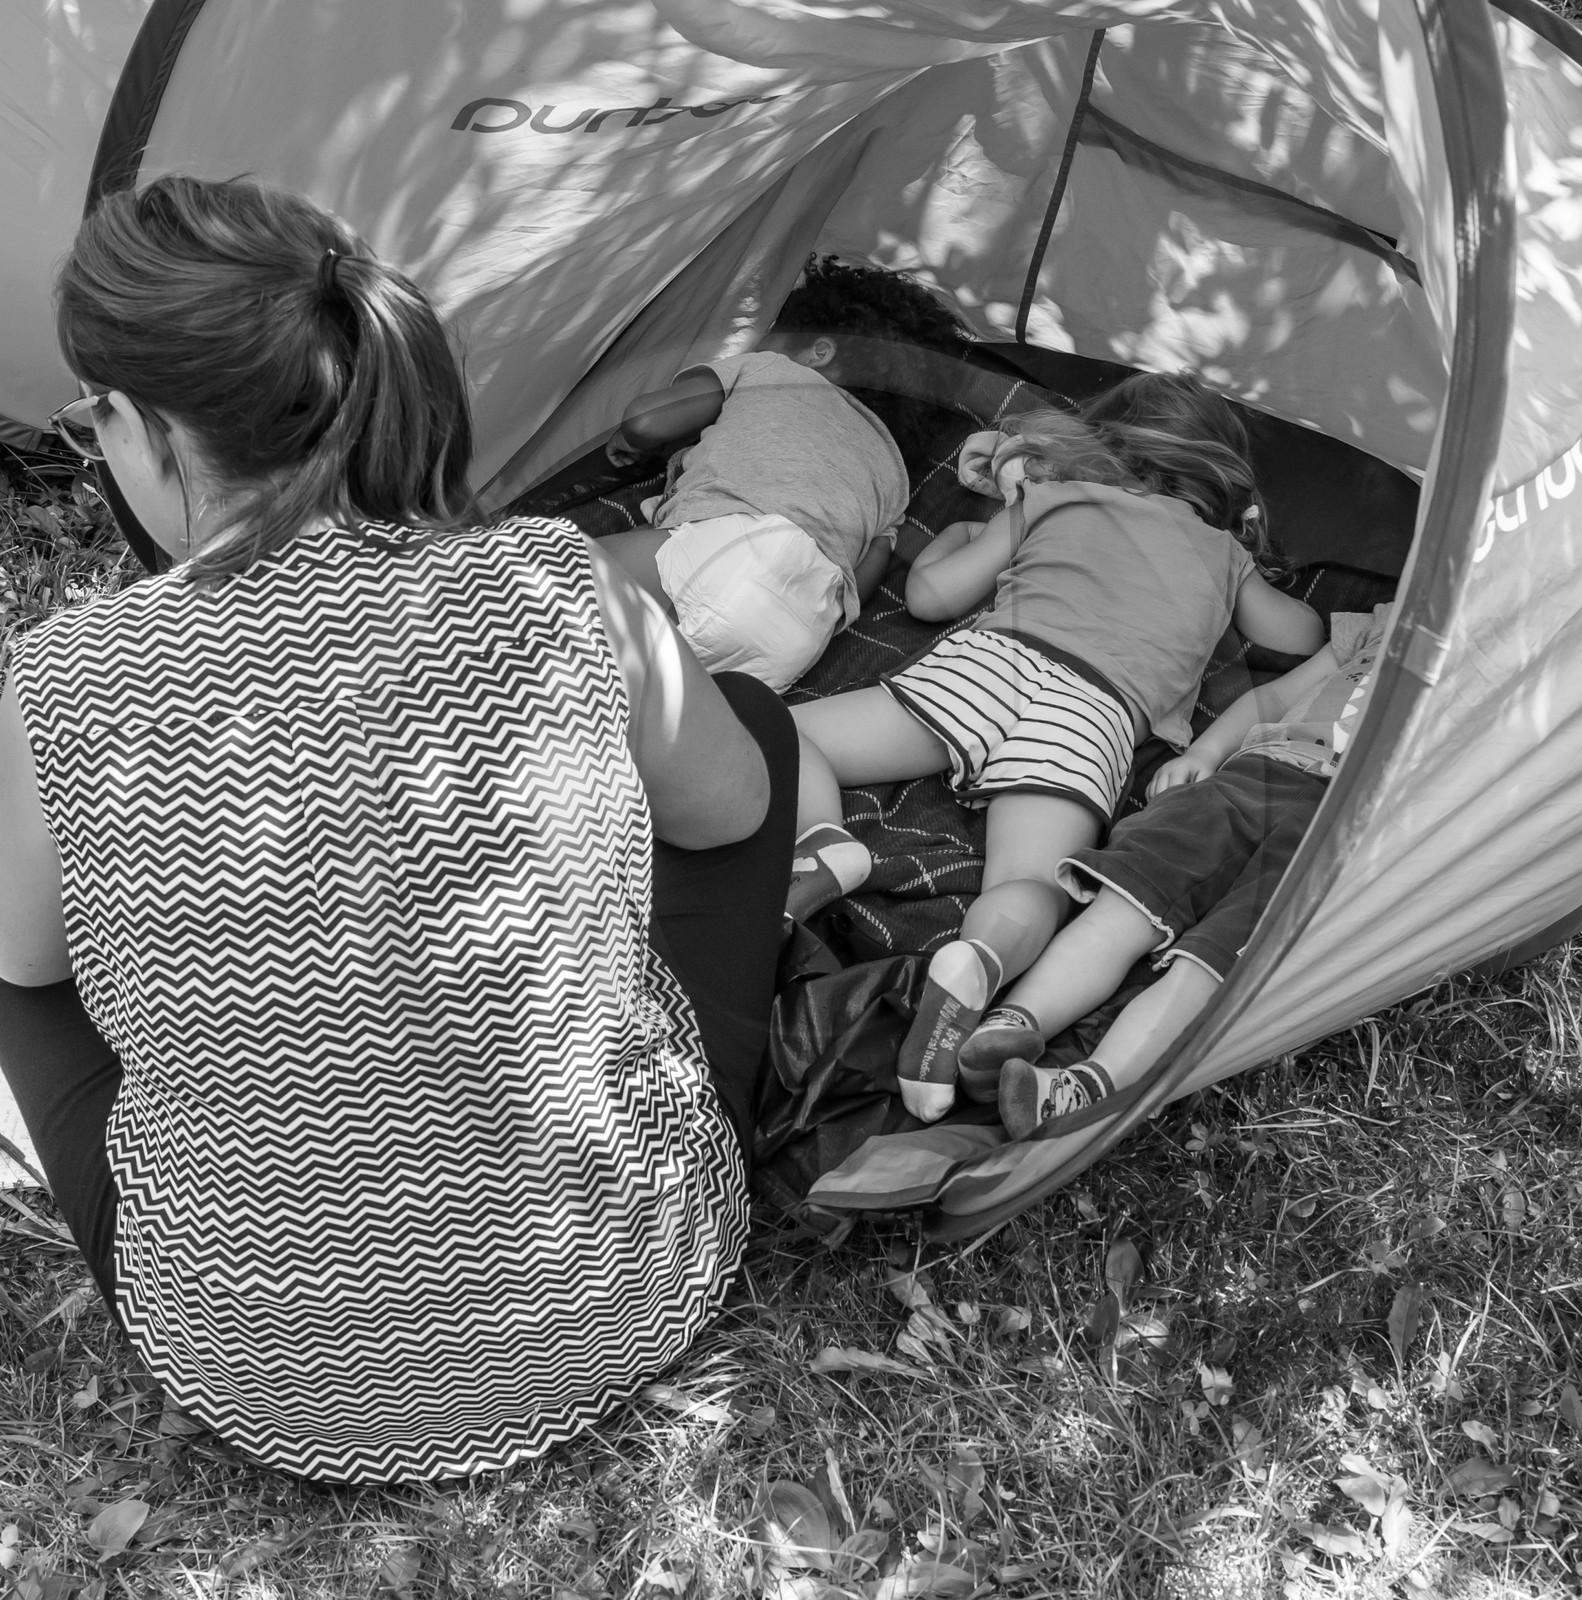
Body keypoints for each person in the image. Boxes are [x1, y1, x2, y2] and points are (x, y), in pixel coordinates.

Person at [1, 173, 797, 1483]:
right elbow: (735, 814)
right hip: (626, 1287)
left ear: (151, 429)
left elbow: (33, 969)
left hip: (278, 1377)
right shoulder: (556, 580)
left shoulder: (66, 676)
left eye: (97, 425)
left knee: (14, 956)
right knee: (753, 729)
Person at [784, 378, 1327, 1120]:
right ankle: (978, 960)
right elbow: (1303, 638)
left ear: (1097, 447)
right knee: (1028, 882)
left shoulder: (1051, 500)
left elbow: (930, 598)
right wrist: (1248, 548)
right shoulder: (1224, 554)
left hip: (993, 665)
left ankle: (825, 844)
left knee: (796, 733)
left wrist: (958, 537)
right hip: (1094, 717)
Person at [956, 605, 1393, 1140]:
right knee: (1130, 900)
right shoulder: (1387, 620)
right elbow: (1273, 697)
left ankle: (1083, 1091)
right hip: (1257, 772)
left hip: (1350, 819)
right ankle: (1016, 1022)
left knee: (1215, 960)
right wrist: (1207, 752)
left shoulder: (1507, 679)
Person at [599, 257, 969, 692]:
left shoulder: (774, 371)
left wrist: (628, 439)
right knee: (641, 692)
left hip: (723, 555)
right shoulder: (894, 474)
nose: (760, 341)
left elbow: (647, 422)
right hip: (798, 632)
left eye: (773, 331)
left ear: (819, 352)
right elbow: (861, 578)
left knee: (536, 570)